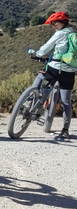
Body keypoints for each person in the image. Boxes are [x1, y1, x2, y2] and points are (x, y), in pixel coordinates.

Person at [30, 11, 75, 140]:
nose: (53, 26)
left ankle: (31, 102)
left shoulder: (60, 34)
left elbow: (46, 48)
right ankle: (65, 130)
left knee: (40, 77)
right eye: (52, 24)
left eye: (55, 23)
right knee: (66, 102)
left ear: (63, 22)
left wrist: (38, 54)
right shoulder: (73, 34)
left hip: (55, 68)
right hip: (69, 72)